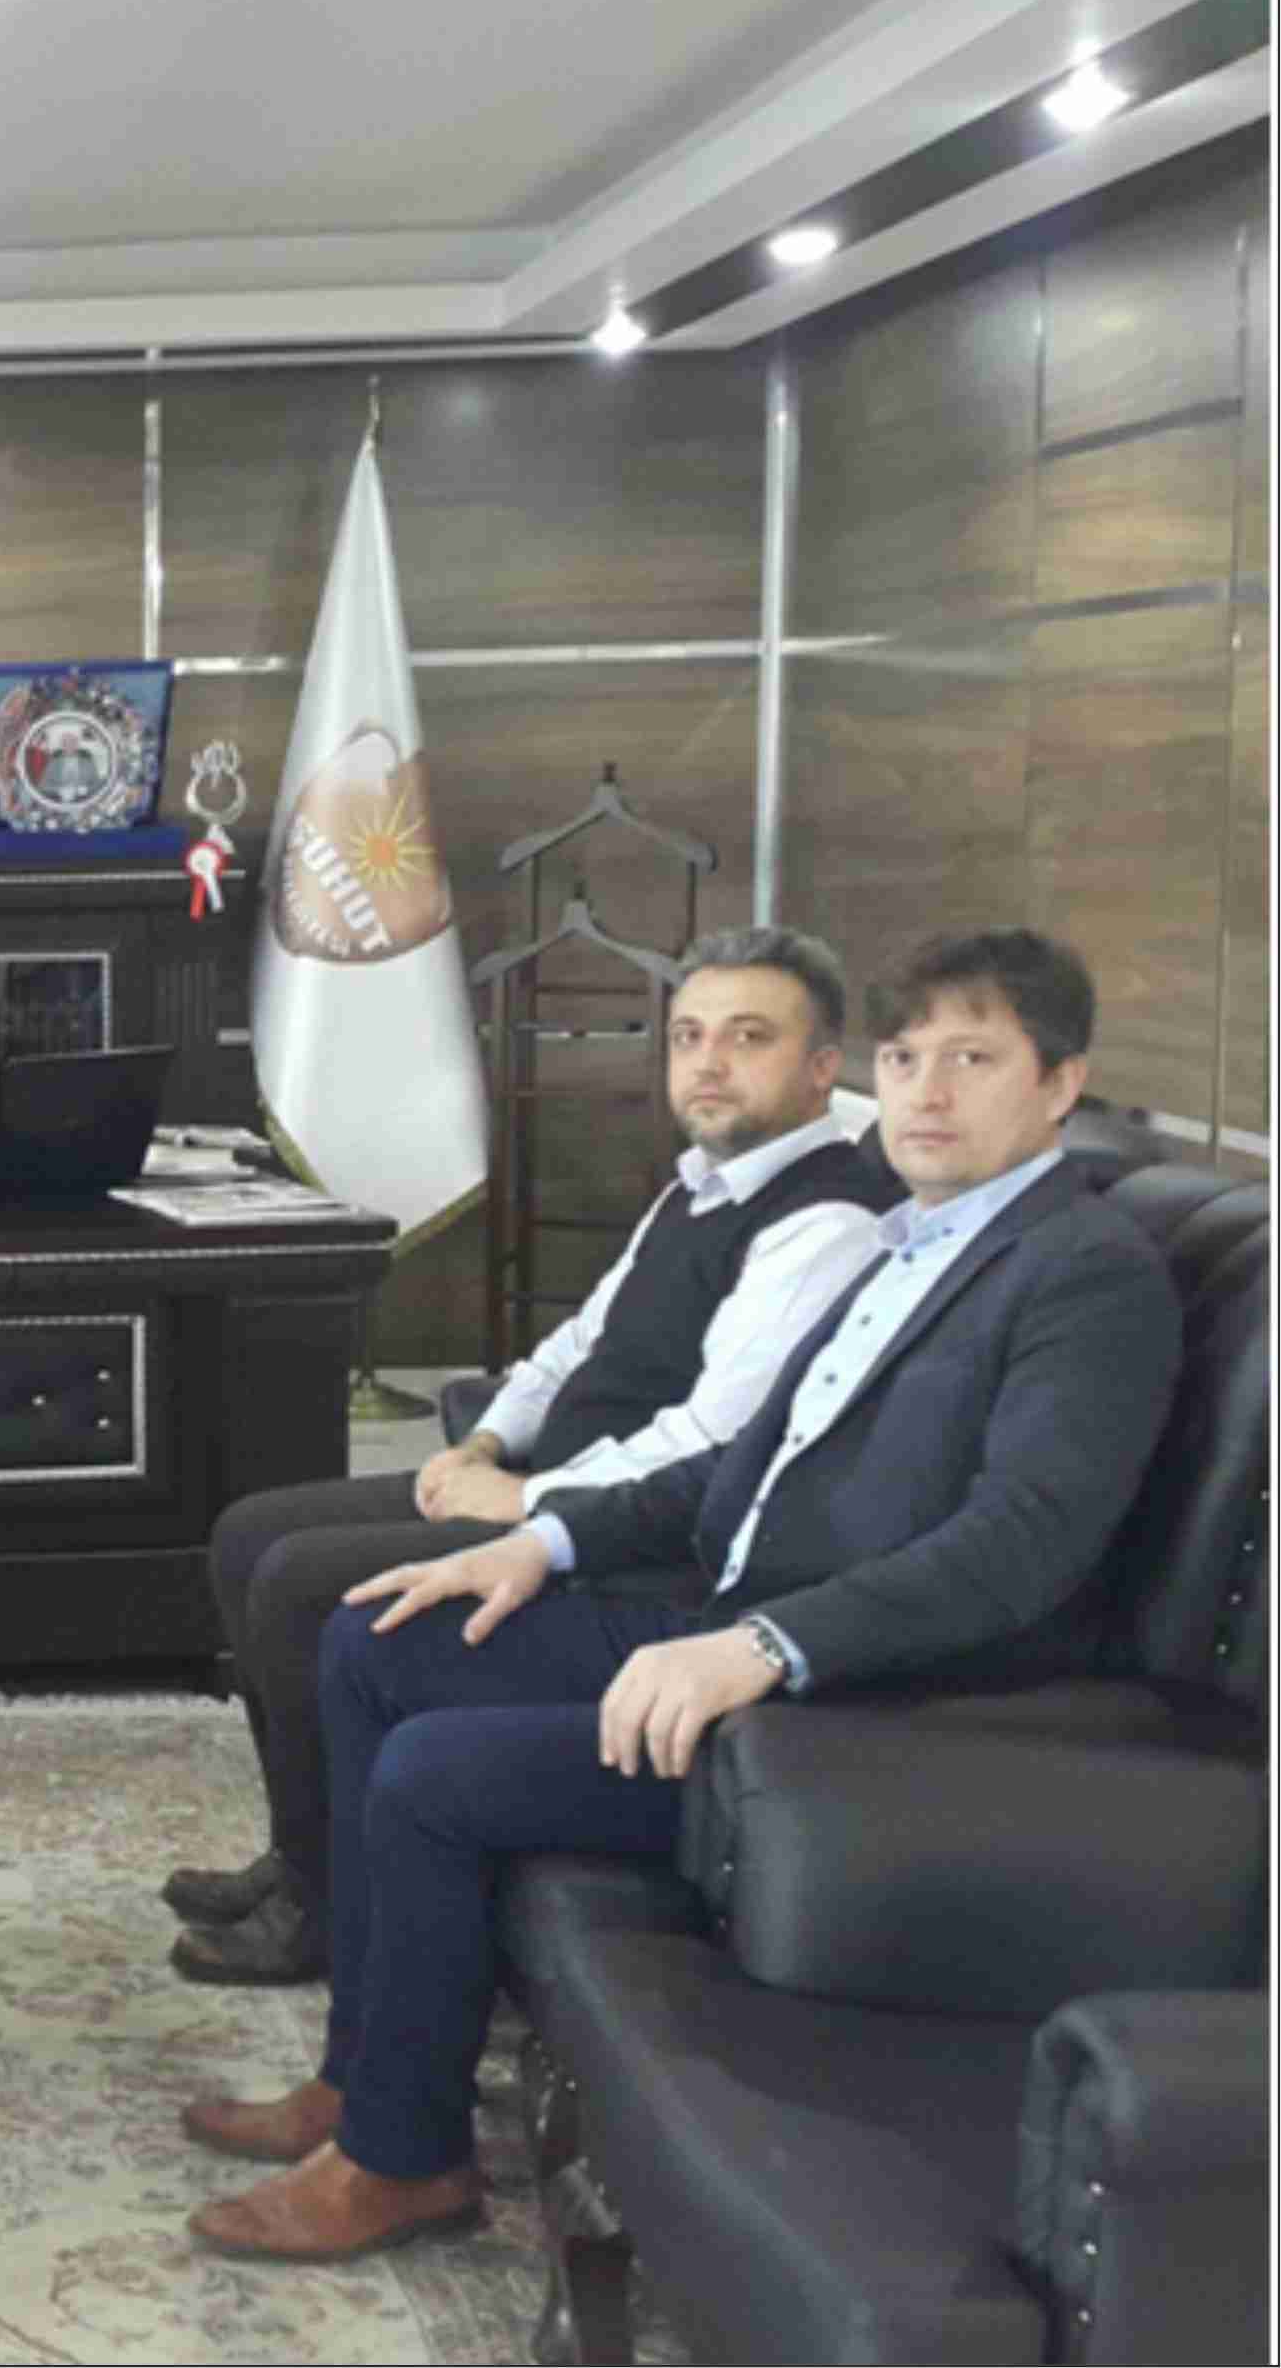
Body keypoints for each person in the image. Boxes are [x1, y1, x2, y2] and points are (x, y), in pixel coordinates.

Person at [181, 929, 1183, 2263]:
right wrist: (543, 1544)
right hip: (737, 1612)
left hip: (867, 1700)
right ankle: (365, 2076)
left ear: (1058, 1082)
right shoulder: (918, 1240)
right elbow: (736, 1463)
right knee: (381, 1633)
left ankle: (401, 2159)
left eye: (971, 1060)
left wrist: (761, 1645)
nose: (925, 1093)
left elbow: (1021, 1544)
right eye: (903, 1060)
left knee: (431, 1771)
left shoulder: (1082, 1270)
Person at [166, 927, 897, 1984]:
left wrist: (521, 1497)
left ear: (822, 1066)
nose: (707, 1063)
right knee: (249, 1531)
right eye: (688, 1036)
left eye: (748, 1038)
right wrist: (483, 1437)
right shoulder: (699, 1184)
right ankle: (305, 1855)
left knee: (296, 1581)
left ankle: (321, 1908)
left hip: (629, 1537)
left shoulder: (825, 1221)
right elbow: (575, 1344)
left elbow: (708, 1441)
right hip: (540, 1482)